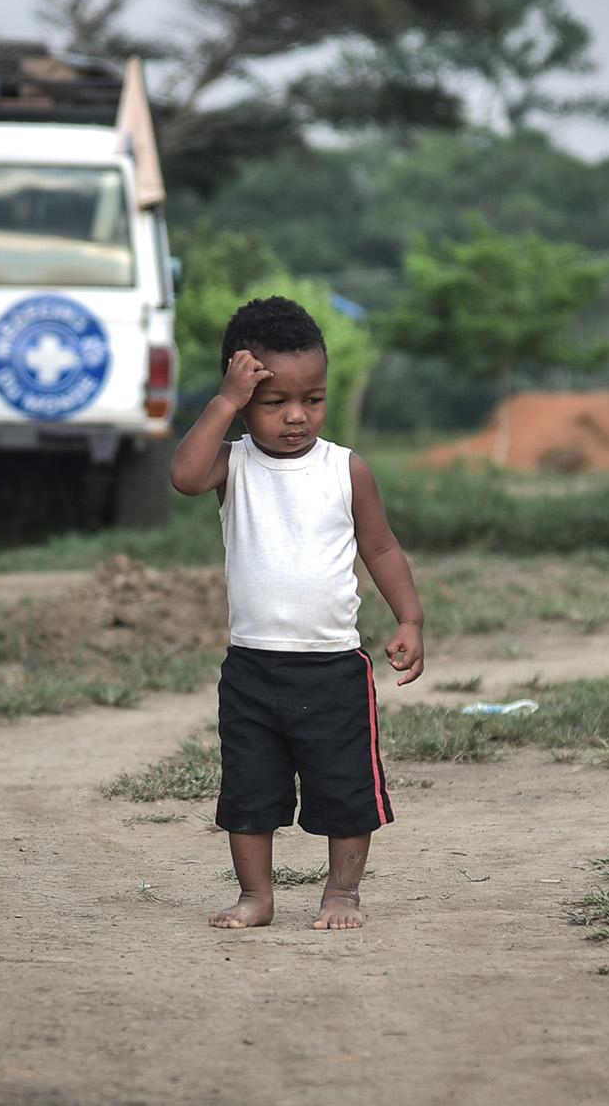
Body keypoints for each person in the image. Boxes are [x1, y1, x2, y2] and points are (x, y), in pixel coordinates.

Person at [170, 296, 424, 930]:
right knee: (249, 793)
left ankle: (342, 894)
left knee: (346, 789)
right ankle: (257, 897)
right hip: (253, 669)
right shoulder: (233, 464)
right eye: (272, 401)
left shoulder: (347, 470)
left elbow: (382, 546)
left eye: (312, 400)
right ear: (241, 394)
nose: (295, 416)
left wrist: (410, 619)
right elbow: (183, 476)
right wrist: (224, 403)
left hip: (333, 667)